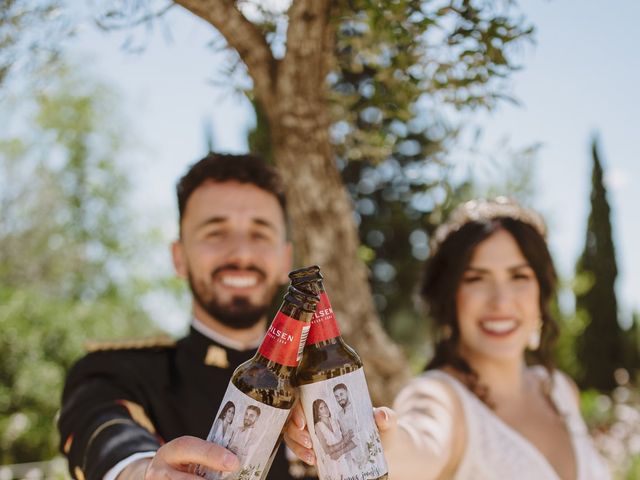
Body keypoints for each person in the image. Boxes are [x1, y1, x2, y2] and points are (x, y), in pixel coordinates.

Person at [286, 197, 611, 479]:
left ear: (541, 290)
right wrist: (375, 440)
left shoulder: (559, 390)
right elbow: (421, 443)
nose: (501, 301)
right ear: (449, 298)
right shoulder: (438, 396)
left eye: (519, 276)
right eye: (476, 278)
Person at [58, 153, 317, 480]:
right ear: (179, 258)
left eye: (259, 233)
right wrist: (145, 472)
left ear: (285, 261)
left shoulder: (328, 375)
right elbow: (104, 434)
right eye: (216, 233)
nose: (240, 253)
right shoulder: (117, 372)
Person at [311, 399, 353, 479]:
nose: (325, 409)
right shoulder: (318, 426)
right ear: (317, 412)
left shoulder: (335, 421)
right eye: (321, 408)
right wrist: (343, 441)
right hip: (331, 463)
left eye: (325, 406)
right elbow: (326, 450)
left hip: (343, 459)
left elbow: (346, 441)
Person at [331, 384, 367, 469]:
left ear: (347, 393)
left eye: (341, 394)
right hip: (348, 458)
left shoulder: (357, 410)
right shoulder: (339, 415)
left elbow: (361, 434)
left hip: (361, 453)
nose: (339, 398)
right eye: (336, 396)